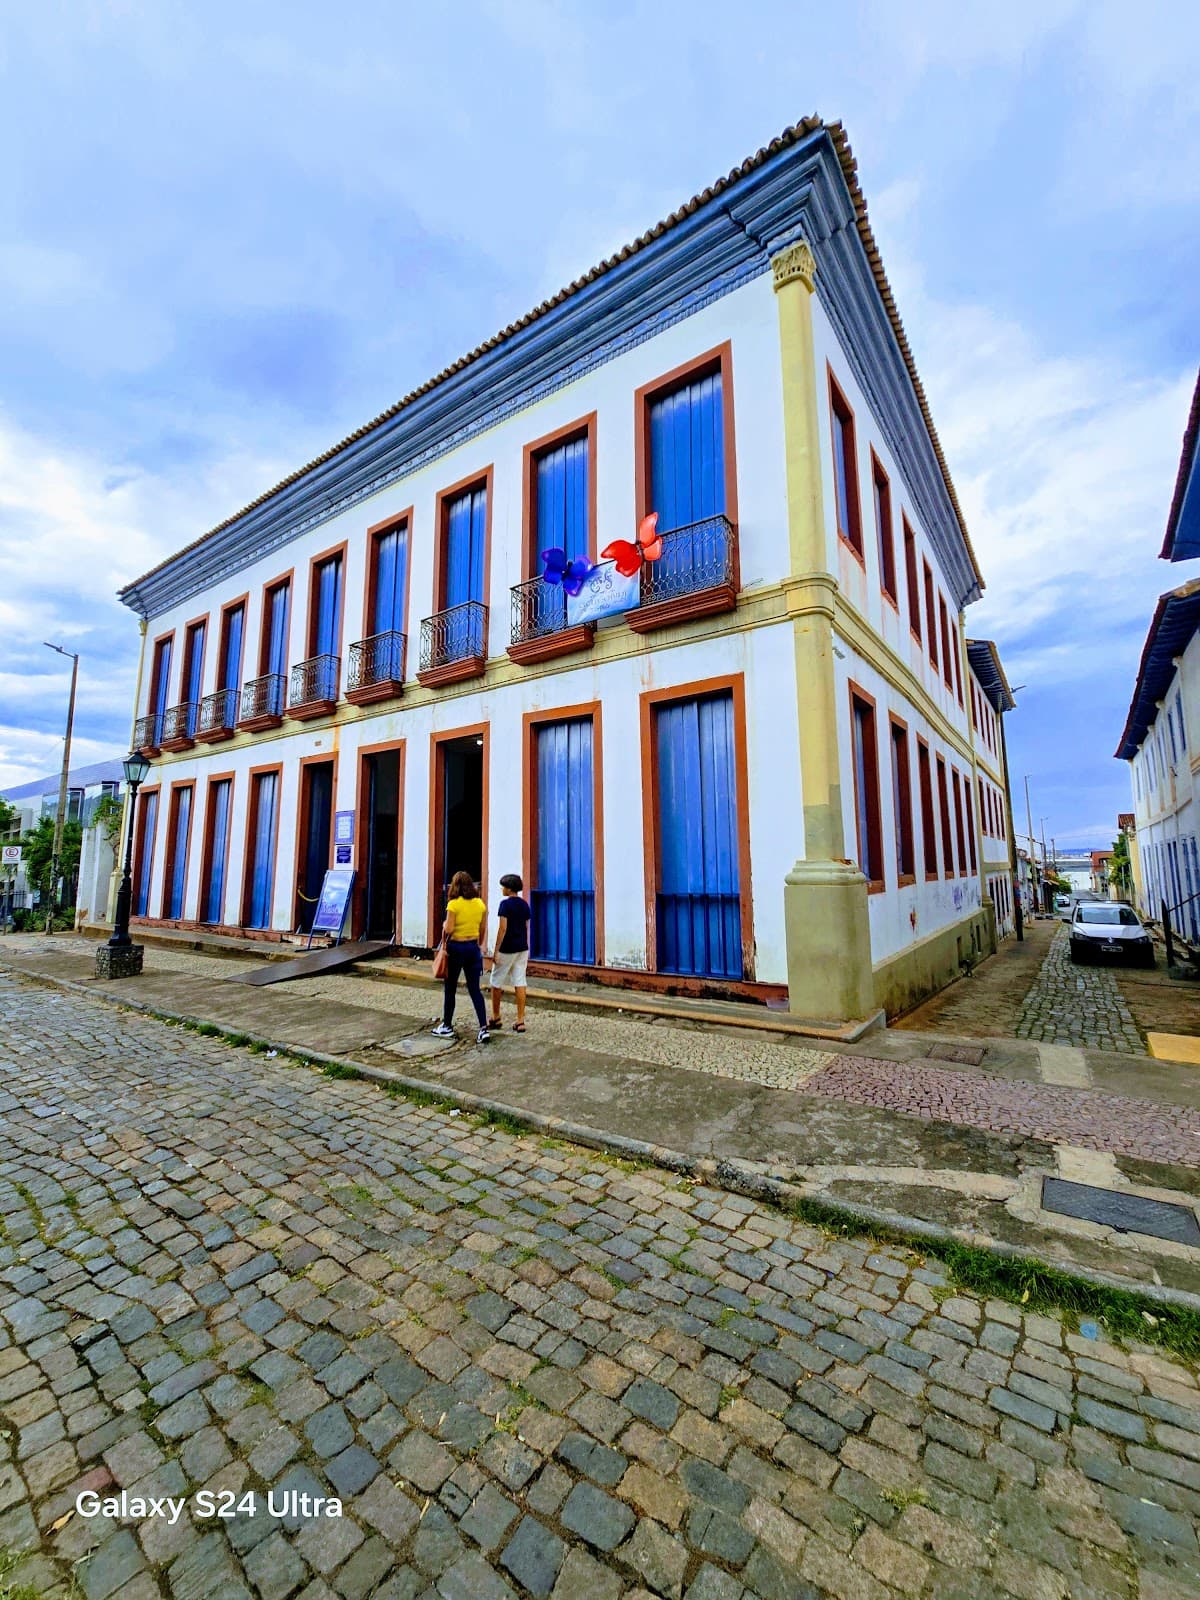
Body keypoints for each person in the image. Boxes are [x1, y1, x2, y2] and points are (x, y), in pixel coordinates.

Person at [431, 870, 489, 1044]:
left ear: (454, 886)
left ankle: (447, 1025)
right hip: (472, 948)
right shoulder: (480, 904)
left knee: (450, 988)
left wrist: (443, 925)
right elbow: (482, 929)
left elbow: (448, 929)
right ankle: (483, 1028)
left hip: (456, 948)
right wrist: (479, 944)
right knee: (475, 990)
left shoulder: (453, 905)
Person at [489, 873, 531, 1031]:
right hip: (522, 948)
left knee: (496, 981)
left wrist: (496, 950)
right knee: (520, 981)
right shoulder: (525, 905)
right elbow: (526, 926)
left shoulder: (504, 905)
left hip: (507, 948)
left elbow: (503, 928)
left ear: (508, 888)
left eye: (503, 886)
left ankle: (496, 1016)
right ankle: (520, 1020)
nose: (502, 889)